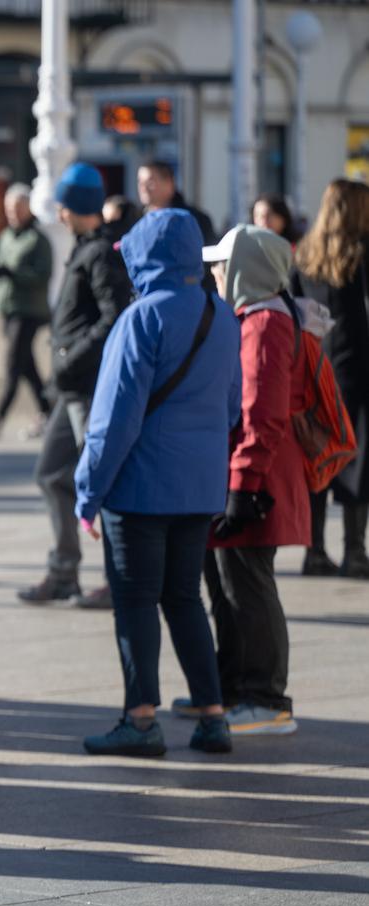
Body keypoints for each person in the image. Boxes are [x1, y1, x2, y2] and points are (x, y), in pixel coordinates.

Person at [75, 209, 241, 757]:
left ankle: (141, 720)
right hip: (199, 488)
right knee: (185, 599)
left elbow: (113, 421)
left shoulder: (140, 318)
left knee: (137, 602)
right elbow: (232, 408)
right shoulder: (221, 315)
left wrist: (88, 493)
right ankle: (213, 716)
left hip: (141, 487)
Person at [173, 225, 311, 739]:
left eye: (220, 264)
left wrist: (243, 484)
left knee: (247, 587)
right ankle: (228, 689)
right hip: (241, 473)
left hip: (255, 479)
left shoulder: (264, 323)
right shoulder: (254, 316)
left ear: (244, 269)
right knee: (227, 585)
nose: (213, 271)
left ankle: (265, 697)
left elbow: (263, 413)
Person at [18, 163, 132, 608]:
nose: (59, 213)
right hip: (70, 388)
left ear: (74, 208)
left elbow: (113, 315)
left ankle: (116, 576)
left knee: (101, 480)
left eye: (63, 205)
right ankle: (64, 570)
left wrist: (71, 356)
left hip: (86, 387)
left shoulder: (101, 252)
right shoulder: (85, 248)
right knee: (51, 474)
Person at [293, 179, 369, 579]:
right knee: (356, 459)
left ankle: (314, 550)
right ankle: (355, 552)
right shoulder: (362, 252)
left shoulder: (304, 254)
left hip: (315, 369)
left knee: (318, 455)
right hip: (358, 368)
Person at [0, 183, 53, 438]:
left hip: (29, 309)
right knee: (26, 365)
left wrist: (14, 274)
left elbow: (43, 274)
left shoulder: (38, 239)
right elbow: (1, 265)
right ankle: (49, 412)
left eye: (18, 208)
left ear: (28, 208)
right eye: (9, 208)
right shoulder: (7, 236)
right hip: (8, 306)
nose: (13, 213)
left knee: (13, 364)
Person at [136, 160, 217, 244]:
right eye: (140, 182)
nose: (143, 188)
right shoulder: (135, 219)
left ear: (169, 183)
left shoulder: (193, 220)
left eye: (150, 182)